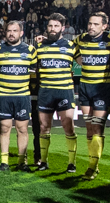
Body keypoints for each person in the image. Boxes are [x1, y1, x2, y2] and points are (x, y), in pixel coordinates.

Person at [72, 12, 110, 179]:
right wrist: (79, 59)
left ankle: (92, 166)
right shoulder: (81, 39)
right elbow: (72, 48)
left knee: (97, 128)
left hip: (103, 88)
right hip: (85, 87)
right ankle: (94, 162)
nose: (91, 27)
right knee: (89, 128)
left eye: (96, 24)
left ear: (104, 26)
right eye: (90, 23)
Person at [32, 13, 78, 172]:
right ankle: (43, 162)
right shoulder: (39, 46)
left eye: (56, 26)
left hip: (65, 91)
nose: (53, 29)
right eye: (50, 26)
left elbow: (82, 63)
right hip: (45, 92)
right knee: (44, 127)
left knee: (68, 127)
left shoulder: (71, 46)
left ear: (63, 28)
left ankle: (72, 162)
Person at [0, 21, 35, 171]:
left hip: (22, 95)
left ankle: (22, 162)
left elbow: (36, 70)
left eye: (15, 31)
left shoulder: (30, 50)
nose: (11, 33)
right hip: (3, 95)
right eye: (9, 31)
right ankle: (4, 162)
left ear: (21, 33)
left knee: (22, 129)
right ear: (5, 32)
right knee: (4, 128)